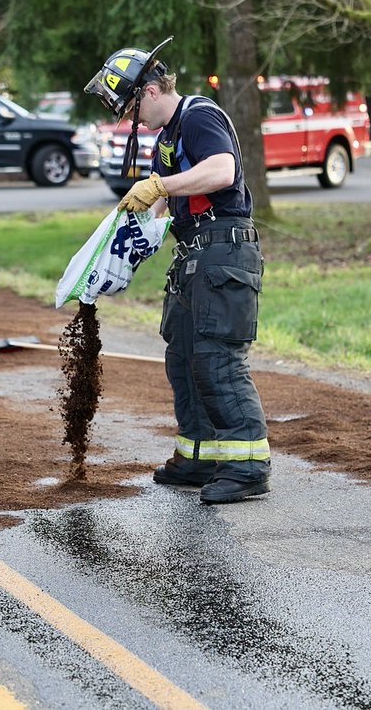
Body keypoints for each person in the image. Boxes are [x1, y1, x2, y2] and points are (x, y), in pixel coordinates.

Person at [84, 44, 271, 504]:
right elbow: (162, 205)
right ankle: (201, 456)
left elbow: (222, 171)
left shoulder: (199, 115)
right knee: (185, 359)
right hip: (193, 260)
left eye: (131, 107)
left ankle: (248, 467)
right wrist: (116, 249)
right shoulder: (167, 139)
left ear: (151, 90)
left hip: (223, 254)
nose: (133, 119)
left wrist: (160, 186)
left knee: (217, 360)